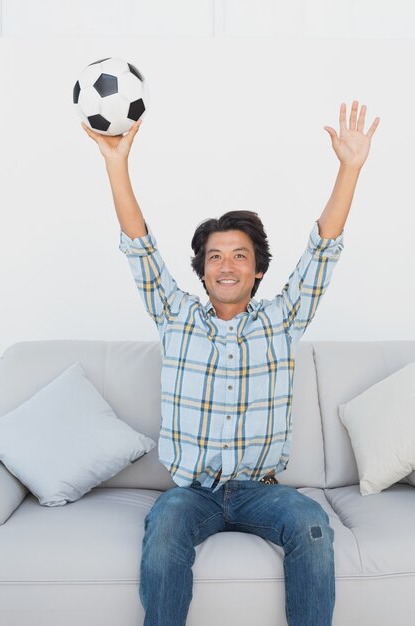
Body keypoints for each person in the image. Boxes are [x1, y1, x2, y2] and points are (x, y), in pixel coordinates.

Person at [82, 101, 379, 626]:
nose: (227, 265)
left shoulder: (282, 320)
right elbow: (139, 247)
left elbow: (322, 252)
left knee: (313, 526)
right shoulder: (175, 315)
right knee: (166, 530)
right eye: (215, 256)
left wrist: (349, 168)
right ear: (201, 270)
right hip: (191, 494)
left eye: (240, 255)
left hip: (261, 492)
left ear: (258, 271)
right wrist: (116, 164)